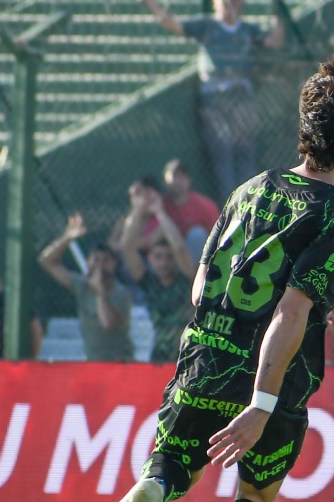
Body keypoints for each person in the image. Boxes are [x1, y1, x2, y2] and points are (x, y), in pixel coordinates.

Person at [87, 58, 334, 502]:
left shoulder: (250, 188)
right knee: (255, 497)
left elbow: (202, 286)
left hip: (201, 359)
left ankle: (157, 486)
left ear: (305, 128)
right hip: (270, 381)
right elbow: (290, 312)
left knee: (175, 463)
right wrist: (261, 404)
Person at [141, 0, 286, 201]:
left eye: (235, 2)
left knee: (246, 154)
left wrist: (278, 11)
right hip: (215, 98)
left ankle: (253, 204)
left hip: (242, 97)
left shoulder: (247, 29)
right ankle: (233, 206)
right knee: (223, 156)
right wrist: (152, 5)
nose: (230, 5)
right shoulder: (207, 25)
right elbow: (173, 24)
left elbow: (274, 41)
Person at [39, 215, 135, 362]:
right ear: (88, 262)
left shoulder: (121, 293)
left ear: (114, 265)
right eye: (95, 259)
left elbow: (108, 323)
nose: (99, 265)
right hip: (93, 362)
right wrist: (68, 238)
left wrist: (100, 293)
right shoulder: (81, 285)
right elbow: (47, 262)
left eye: (105, 260)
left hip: (121, 363)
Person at [120, 181, 196, 363]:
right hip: (159, 357)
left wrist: (160, 212)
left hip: (187, 356)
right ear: (150, 259)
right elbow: (127, 247)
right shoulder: (149, 282)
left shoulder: (187, 280)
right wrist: (138, 210)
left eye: (168, 257)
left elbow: (179, 248)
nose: (164, 263)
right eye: (158, 257)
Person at [109, 160, 222, 264]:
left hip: (191, 257)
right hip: (152, 260)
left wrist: (123, 246)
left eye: (181, 177)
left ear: (189, 180)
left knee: (196, 235)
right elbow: (116, 239)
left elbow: (150, 241)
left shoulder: (206, 205)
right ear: (165, 181)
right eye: (173, 176)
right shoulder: (161, 204)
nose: (177, 181)